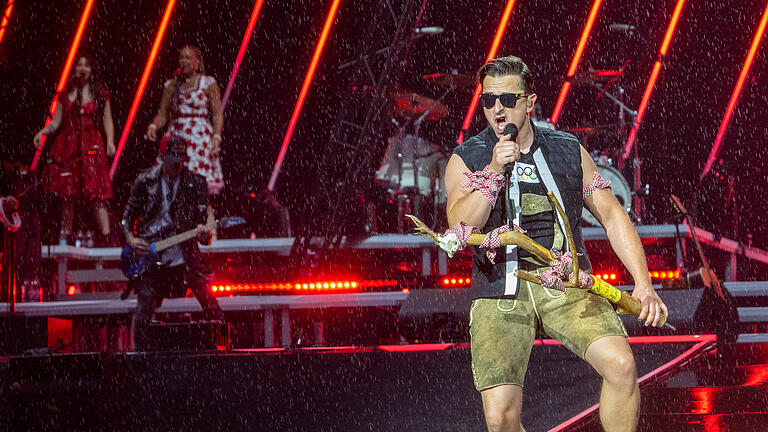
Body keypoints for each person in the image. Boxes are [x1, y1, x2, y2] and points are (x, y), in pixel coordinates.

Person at [444, 55, 668, 432]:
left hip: (567, 283)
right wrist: (495, 171)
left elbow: (612, 215)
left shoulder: (567, 150)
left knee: (621, 365)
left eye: (508, 99)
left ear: (530, 103)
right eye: (488, 100)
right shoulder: (467, 157)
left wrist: (643, 284)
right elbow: (460, 226)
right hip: (500, 290)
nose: (497, 109)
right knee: (500, 419)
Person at [121, 135, 224, 350]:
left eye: (180, 161)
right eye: (172, 161)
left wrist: (204, 235)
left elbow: (202, 225)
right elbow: (127, 218)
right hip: (151, 258)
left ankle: (222, 353)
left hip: (184, 256)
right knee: (144, 309)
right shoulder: (145, 180)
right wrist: (132, 240)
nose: (177, 166)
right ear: (161, 157)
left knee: (212, 305)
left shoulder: (196, 183)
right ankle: (141, 357)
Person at [33, 54, 116, 245]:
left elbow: (107, 119)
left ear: (92, 70)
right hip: (69, 145)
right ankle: (65, 240)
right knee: (67, 196)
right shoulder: (67, 92)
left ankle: (106, 242)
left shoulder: (99, 92)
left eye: (86, 65)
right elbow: (56, 122)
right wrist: (42, 132)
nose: (82, 69)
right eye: (79, 65)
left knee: (96, 195)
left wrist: (110, 141)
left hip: (90, 143)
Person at [145, 45, 224, 237]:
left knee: (199, 189)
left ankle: (208, 235)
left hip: (198, 140)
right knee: (171, 187)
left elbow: (216, 113)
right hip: (176, 139)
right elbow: (162, 114)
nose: (184, 61)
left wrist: (216, 135)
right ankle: (174, 233)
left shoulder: (207, 83)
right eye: (181, 58)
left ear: (197, 62)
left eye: (188, 58)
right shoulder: (172, 85)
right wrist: (154, 126)